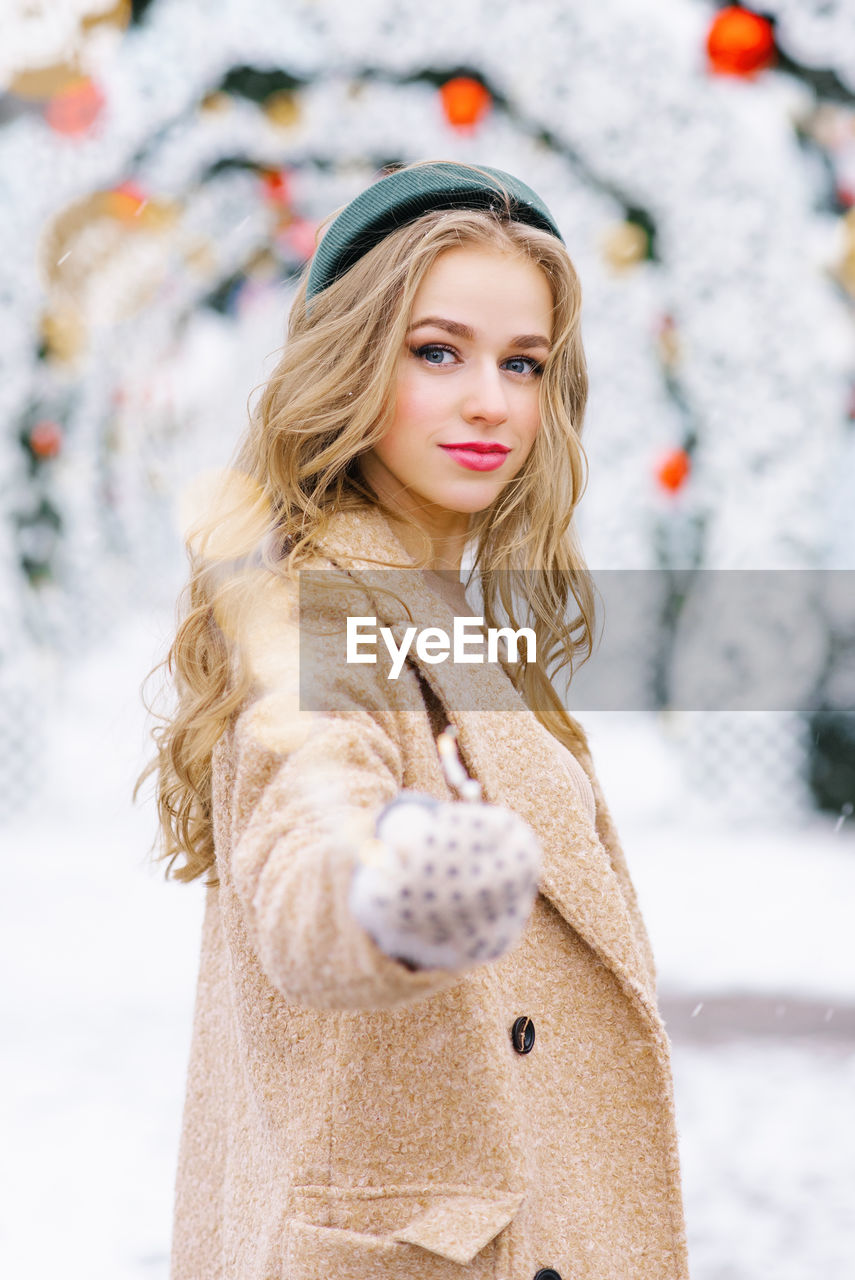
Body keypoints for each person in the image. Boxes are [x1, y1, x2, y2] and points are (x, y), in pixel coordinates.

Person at [138, 159, 690, 1280]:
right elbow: (310, 842)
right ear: (350, 365)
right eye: (437, 352)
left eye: (522, 363)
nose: (491, 399)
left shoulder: (449, 618)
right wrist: (389, 891)